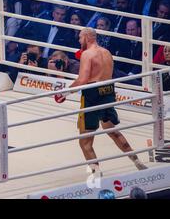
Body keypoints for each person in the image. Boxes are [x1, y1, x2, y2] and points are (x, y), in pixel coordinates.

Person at [56, 28, 147, 176]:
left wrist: (65, 92)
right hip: (108, 91)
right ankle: (136, 160)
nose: (79, 41)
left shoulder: (87, 54)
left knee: (85, 142)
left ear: (87, 37)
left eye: (80, 38)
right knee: (112, 131)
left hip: (93, 95)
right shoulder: (107, 53)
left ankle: (96, 174)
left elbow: (83, 80)